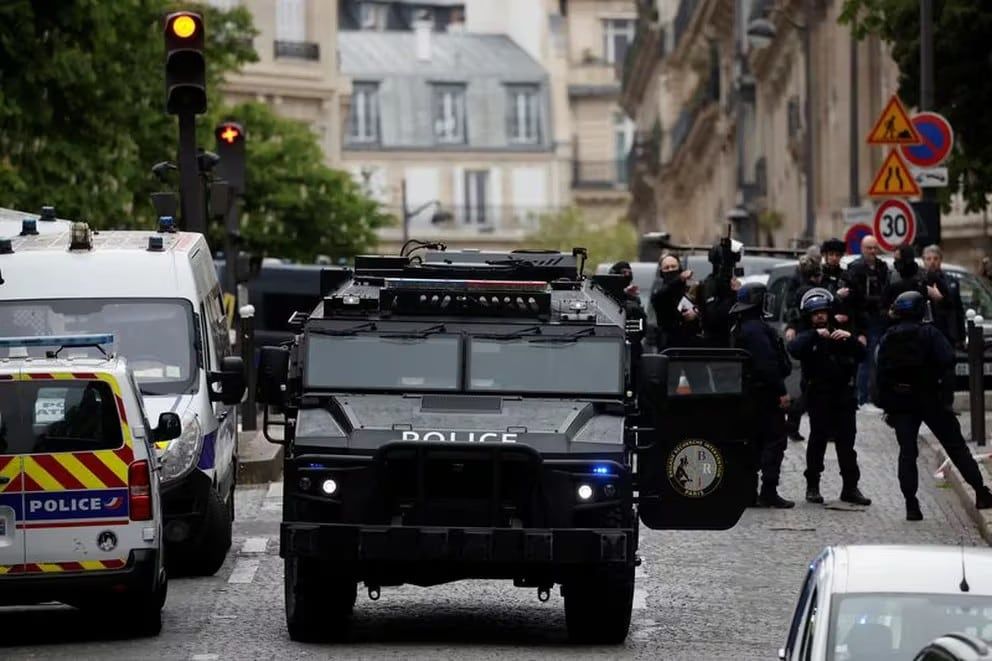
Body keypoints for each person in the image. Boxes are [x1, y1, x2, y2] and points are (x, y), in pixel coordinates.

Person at [876, 290, 992, 521]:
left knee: (907, 453)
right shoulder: (930, 334)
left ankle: (911, 505)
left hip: (901, 402)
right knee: (956, 447)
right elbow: (948, 359)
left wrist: (889, 407)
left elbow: (880, 375)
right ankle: (981, 492)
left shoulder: (888, 337)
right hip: (931, 399)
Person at [787, 288, 871, 506]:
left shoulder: (840, 333)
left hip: (843, 394)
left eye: (823, 312)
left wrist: (850, 338)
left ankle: (850, 487)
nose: (820, 316)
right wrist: (815, 334)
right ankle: (812, 486)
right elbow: (794, 348)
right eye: (815, 314)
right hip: (818, 395)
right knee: (817, 441)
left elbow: (863, 355)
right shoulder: (807, 336)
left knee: (846, 444)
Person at [730, 282, 794, 508]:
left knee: (752, 443)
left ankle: (748, 492)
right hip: (764, 394)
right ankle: (767, 490)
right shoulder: (755, 329)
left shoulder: (742, 326)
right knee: (773, 442)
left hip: (748, 394)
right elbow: (767, 364)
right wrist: (781, 392)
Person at [847, 235, 891, 406]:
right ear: (862, 249)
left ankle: (877, 396)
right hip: (863, 319)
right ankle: (862, 397)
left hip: (881, 318)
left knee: (880, 358)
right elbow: (853, 298)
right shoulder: (855, 268)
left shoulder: (882, 267)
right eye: (869, 248)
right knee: (865, 360)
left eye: (875, 248)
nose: (872, 251)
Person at [650, 254, 699, 351]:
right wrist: (679, 279)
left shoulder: (689, 289)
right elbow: (662, 294)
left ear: (679, 268)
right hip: (669, 347)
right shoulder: (659, 292)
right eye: (666, 268)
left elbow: (704, 309)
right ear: (661, 272)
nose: (670, 270)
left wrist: (696, 313)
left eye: (673, 266)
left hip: (691, 344)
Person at [922, 244, 965, 348]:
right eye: (928, 259)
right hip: (927, 332)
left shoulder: (951, 281)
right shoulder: (919, 280)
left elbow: (958, 309)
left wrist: (961, 336)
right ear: (923, 261)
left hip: (948, 332)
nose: (932, 262)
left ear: (940, 260)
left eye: (935, 258)